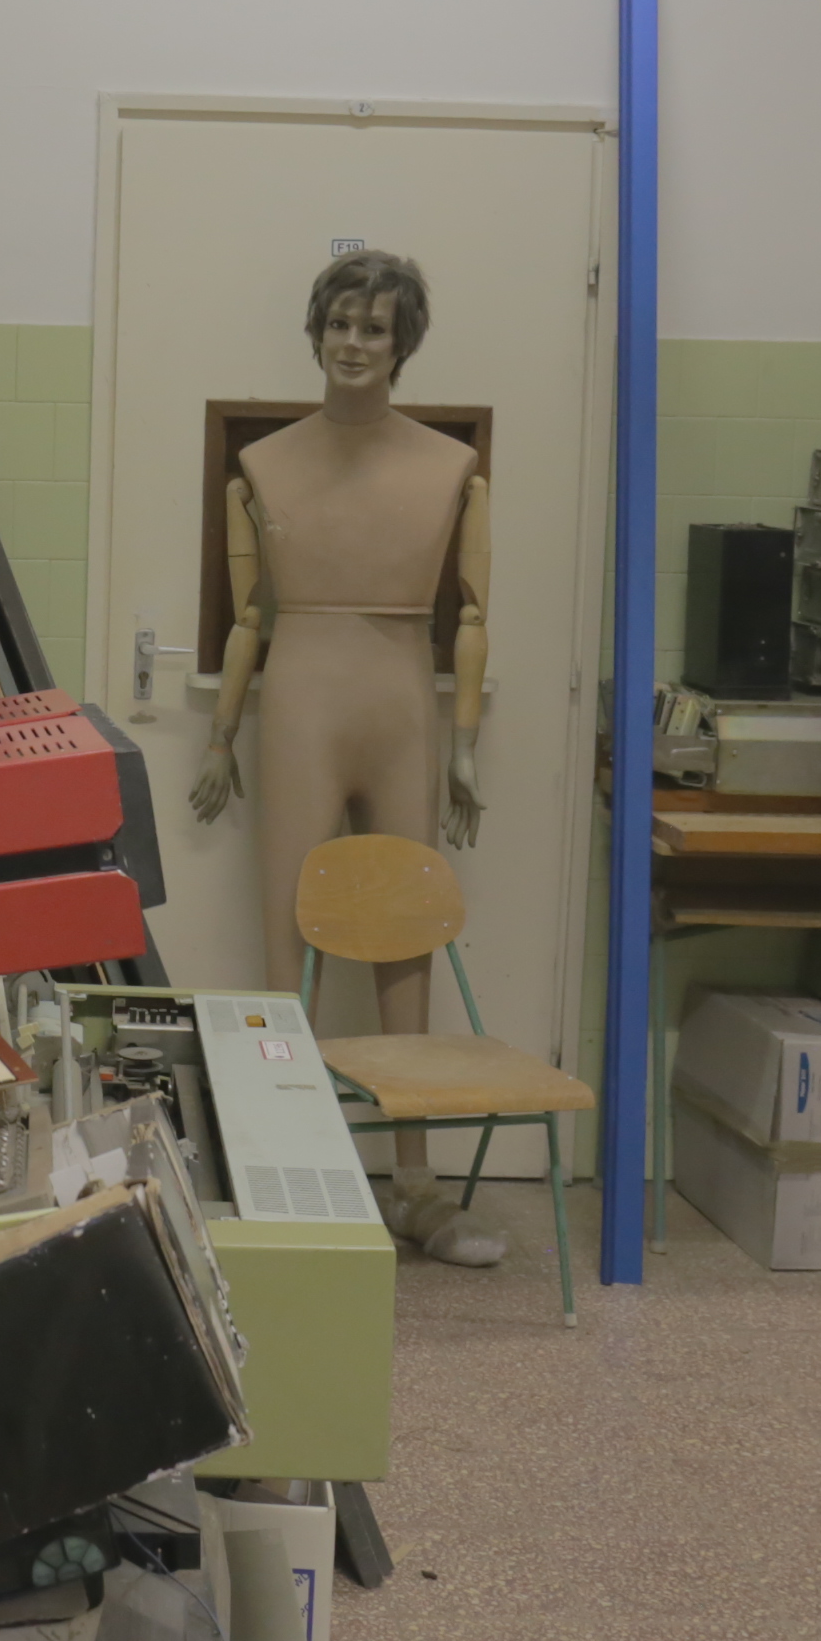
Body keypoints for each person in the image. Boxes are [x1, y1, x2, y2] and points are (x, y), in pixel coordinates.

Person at [188, 249, 506, 1267]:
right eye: (341, 323)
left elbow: (473, 616)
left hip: (403, 703)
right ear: (317, 331)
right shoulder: (265, 463)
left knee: (403, 939)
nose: (354, 343)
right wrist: (219, 735)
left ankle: (415, 1184)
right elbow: (248, 616)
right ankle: (286, 1167)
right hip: (302, 702)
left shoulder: (450, 466)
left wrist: (464, 745)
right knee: (289, 943)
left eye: (375, 328)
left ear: (401, 345)